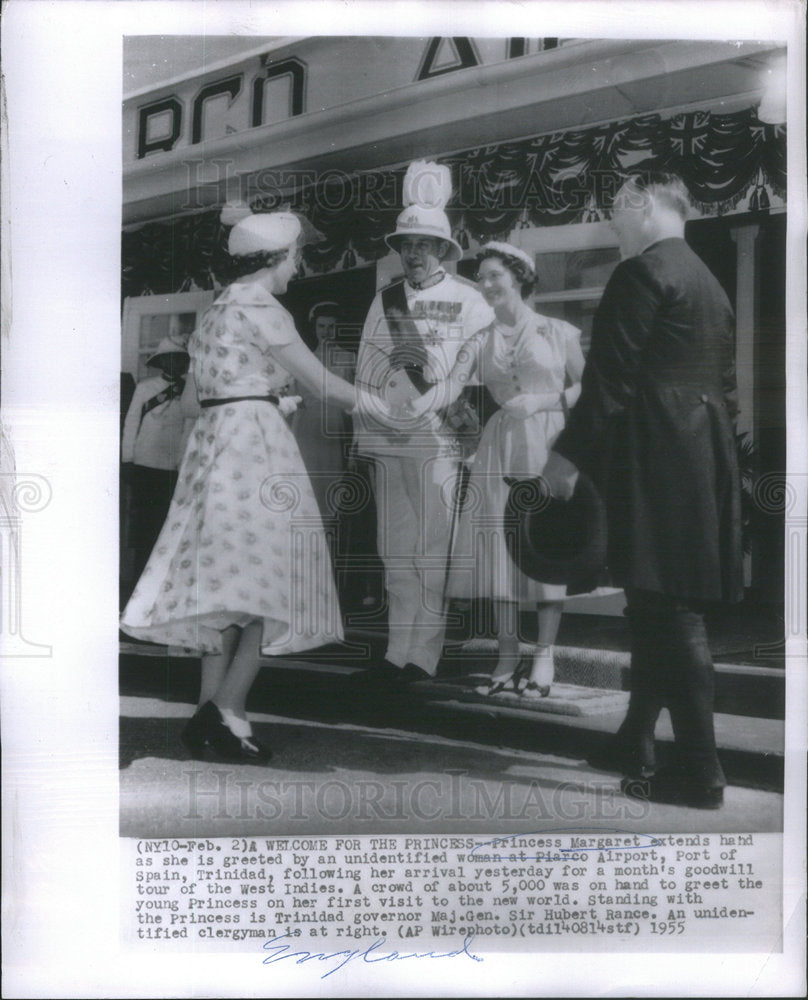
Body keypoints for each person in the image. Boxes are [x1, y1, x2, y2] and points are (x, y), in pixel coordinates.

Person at [120, 210, 389, 763]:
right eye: (295, 258)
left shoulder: (215, 310)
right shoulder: (264, 307)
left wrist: (264, 396)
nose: (296, 268)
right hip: (253, 450)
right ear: (279, 258)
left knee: (225, 585)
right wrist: (383, 405)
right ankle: (229, 710)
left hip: (214, 445)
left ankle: (209, 713)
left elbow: (198, 401)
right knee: (268, 581)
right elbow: (322, 383)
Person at [542, 171, 743, 809]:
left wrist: (564, 459)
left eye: (616, 215)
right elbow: (724, 387)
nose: (614, 228)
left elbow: (608, 383)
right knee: (655, 606)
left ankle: (700, 773)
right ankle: (636, 740)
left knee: (669, 613)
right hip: (697, 459)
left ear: (644, 206)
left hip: (655, 457)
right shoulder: (710, 282)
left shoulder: (641, 274)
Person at [408, 242, 584, 698]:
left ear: (520, 277)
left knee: (545, 546)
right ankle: (507, 654)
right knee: (500, 551)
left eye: (493, 276)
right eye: (480, 278)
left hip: (548, 444)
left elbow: (590, 385)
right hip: (499, 448)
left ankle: (544, 655)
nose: (485, 286)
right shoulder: (479, 338)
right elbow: (448, 386)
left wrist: (546, 400)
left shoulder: (558, 331)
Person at [352, 160, 494, 686]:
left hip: (438, 437)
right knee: (394, 549)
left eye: (423, 245)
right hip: (389, 435)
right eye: (406, 244)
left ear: (442, 249)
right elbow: (366, 366)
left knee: (433, 549)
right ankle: (395, 652)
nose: (413, 254)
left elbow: (480, 372)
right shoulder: (383, 300)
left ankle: (424, 657)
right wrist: (366, 431)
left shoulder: (469, 300)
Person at [121, 337, 191, 584]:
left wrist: (184, 464)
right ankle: (139, 579)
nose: (176, 363)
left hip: (172, 466)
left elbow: (188, 429)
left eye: (181, 359)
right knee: (143, 524)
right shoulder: (145, 387)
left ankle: (161, 582)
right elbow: (131, 424)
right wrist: (128, 459)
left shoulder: (189, 391)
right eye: (170, 358)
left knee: (166, 523)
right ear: (161, 361)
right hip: (144, 463)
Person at [290, 301, 355, 528]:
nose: (326, 332)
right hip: (305, 430)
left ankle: (327, 536)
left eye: (331, 327)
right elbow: (294, 398)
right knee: (306, 484)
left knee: (332, 485)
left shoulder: (350, 359)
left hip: (335, 429)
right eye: (321, 326)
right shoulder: (302, 359)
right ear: (315, 328)